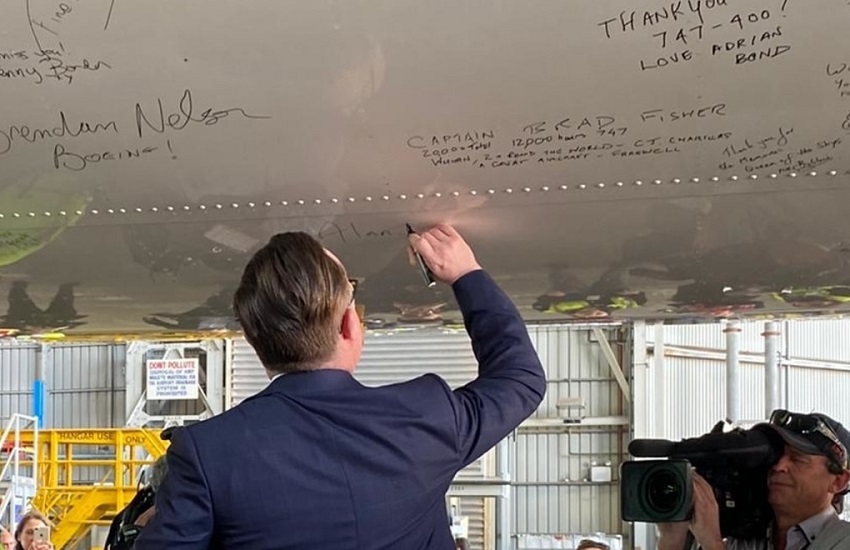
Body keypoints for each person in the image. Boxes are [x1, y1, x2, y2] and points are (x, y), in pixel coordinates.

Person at [136, 224, 546, 549]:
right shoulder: (426, 417)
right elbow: (520, 379)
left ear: (255, 342)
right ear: (350, 326)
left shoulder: (207, 452)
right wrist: (466, 275)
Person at [658, 409, 850, 550]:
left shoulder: (842, 541)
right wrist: (672, 538)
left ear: (838, 481)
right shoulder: (744, 539)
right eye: (775, 457)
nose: (778, 466)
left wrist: (713, 543)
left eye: (797, 459)